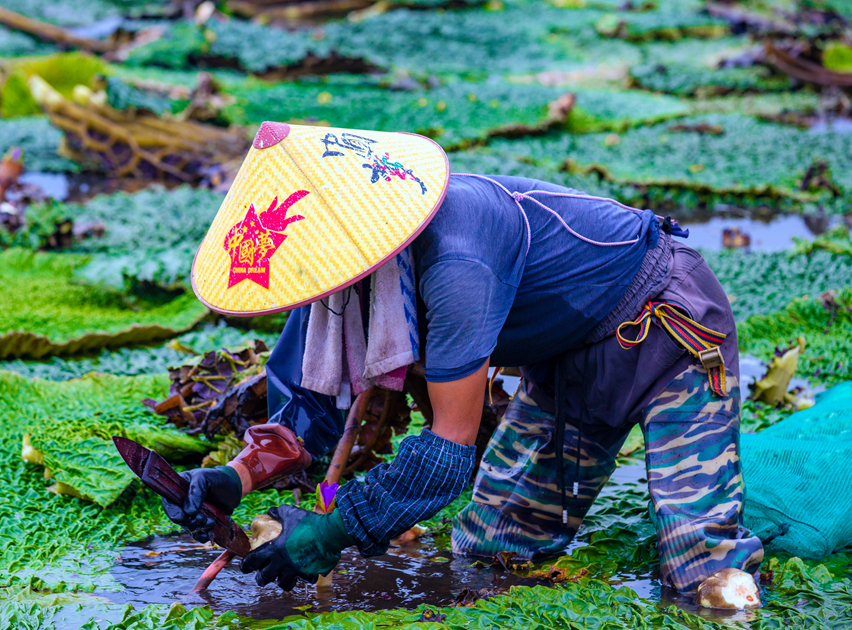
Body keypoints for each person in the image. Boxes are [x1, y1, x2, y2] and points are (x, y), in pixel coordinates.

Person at [163, 123, 763, 607]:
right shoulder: (338, 278)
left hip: (667, 335)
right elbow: (309, 397)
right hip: (564, 361)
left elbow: (448, 450)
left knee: (704, 577)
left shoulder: (457, 262)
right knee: (491, 550)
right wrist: (232, 479)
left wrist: (332, 530)